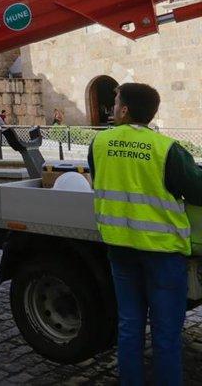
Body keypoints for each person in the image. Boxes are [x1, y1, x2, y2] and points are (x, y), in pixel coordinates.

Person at [88, 83, 202, 385]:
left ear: (125, 110)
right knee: (165, 335)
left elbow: (99, 180)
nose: (112, 109)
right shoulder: (166, 149)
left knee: (129, 327)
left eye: (115, 103)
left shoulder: (99, 144)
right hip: (163, 254)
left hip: (120, 251)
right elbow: (197, 190)